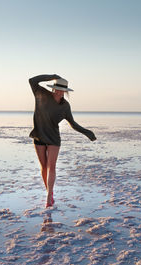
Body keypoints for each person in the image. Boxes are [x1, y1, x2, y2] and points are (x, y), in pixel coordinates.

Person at [29, 74, 96, 208]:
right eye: (57, 88)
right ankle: (50, 191)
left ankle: (49, 197)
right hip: (39, 136)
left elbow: (73, 123)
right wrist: (53, 76)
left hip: (54, 138)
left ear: (65, 91)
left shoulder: (65, 106)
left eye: (62, 89)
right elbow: (32, 80)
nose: (59, 92)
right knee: (44, 167)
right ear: (53, 88)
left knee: (51, 166)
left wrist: (87, 132)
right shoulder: (41, 94)